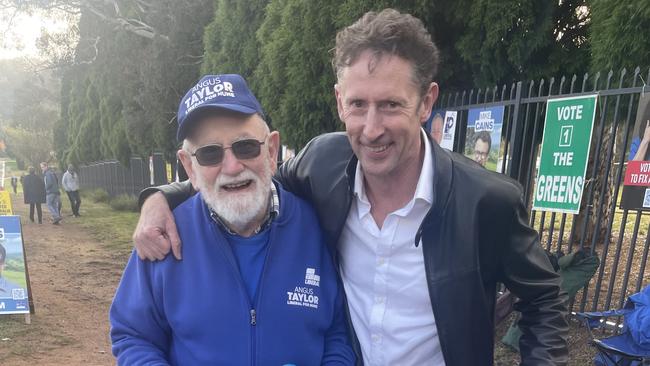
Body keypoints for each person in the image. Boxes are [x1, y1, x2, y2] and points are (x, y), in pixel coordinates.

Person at [133, 9, 568, 365]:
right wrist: (160, 198)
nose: (372, 129)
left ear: (427, 102)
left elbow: (544, 300)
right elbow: (243, 178)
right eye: (358, 104)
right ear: (339, 100)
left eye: (391, 104)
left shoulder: (485, 200)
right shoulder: (323, 164)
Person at [110, 74, 355, 365]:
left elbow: (338, 332)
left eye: (246, 146)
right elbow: (134, 336)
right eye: (210, 154)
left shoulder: (318, 224)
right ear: (189, 167)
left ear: (272, 150)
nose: (232, 166)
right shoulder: (164, 236)